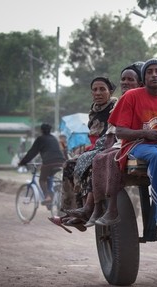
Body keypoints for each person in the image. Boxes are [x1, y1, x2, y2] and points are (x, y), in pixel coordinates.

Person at [108, 58, 157, 233]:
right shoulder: (131, 96)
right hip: (137, 145)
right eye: (149, 72)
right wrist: (146, 133)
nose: (154, 75)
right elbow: (120, 132)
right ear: (143, 78)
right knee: (156, 156)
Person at [86, 62, 144, 226]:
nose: (125, 82)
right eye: (123, 79)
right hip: (122, 142)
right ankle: (95, 207)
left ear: (139, 83)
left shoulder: (142, 99)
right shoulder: (122, 102)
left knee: (110, 158)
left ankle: (111, 209)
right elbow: (113, 129)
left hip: (136, 142)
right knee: (98, 158)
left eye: (130, 79)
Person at [62, 77, 117, 226]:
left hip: (111, 146)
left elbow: (112, 134)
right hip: (96, 147)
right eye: (95, 89)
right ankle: (72, 211)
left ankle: (88, 208)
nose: (98, 93)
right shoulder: (93, 112)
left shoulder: (116, 107)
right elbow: (93, 137)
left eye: (102, 89)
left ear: (110, 91)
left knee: (90, 162)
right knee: (69, 165)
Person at [18, 123, 66, 204]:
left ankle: (47, 196)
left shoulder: (40, 139)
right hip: (60, 162)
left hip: (49, 162)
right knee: (49, 175)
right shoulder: (54, 138)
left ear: (41, 130)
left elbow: (32, 152)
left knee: (42, 180)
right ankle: (51, 196)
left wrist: (22, 162)